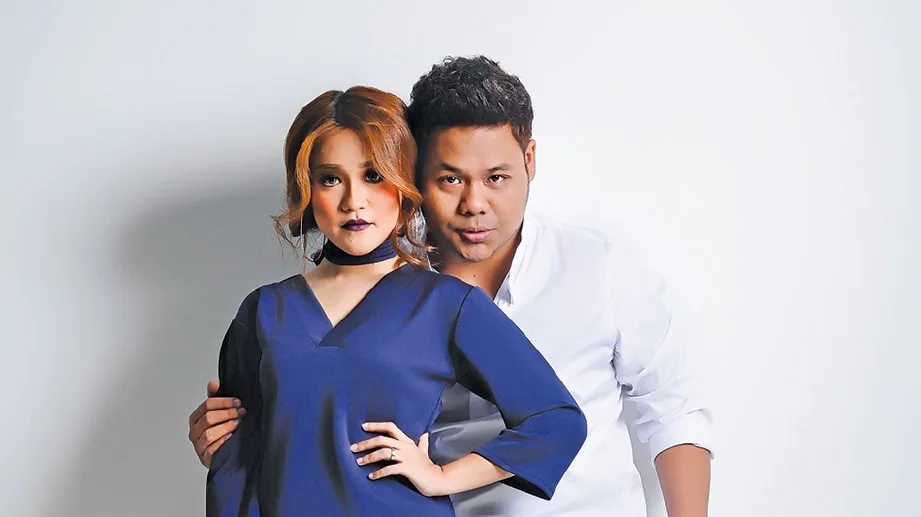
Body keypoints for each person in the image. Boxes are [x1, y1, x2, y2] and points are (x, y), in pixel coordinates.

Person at [192, 57, 714, 517]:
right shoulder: (275, 308)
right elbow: (245, 451)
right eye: (450, 178)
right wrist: (223, 439)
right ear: (418, 173)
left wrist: (441, 476)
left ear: (529, 161)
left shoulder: (585, 271)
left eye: (496, 177)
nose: (474, 203)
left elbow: (662, 412)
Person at [205, 85, 588, 517]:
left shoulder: (446, 305)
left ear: (404, 182)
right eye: (330, 179)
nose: (354, 201)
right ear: (307, 190)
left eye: (373, 175)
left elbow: (556, 421)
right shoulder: (262, 312)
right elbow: (235, 464)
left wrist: (443, 476)